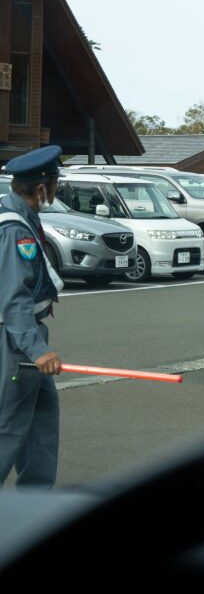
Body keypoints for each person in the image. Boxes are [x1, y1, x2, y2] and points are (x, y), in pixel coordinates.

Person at [0, 145, 64, 489]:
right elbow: (13, 299)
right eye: (55, 183)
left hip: (27, 336)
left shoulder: (24, 216)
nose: (56, 190)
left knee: (42, 418)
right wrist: (37, 350)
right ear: (41, 188)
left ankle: (34, 501)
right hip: (14, 339)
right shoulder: (14, 228)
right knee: (8, 424)